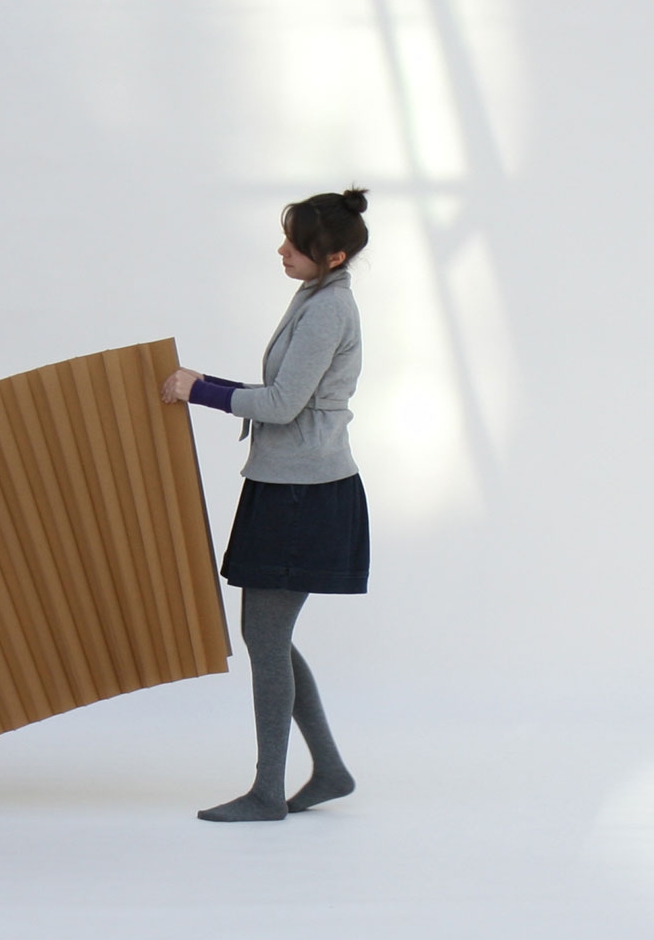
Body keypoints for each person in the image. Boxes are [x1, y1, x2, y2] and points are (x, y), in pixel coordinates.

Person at [161, 188, 371, 822]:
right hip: (287, 484)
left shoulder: (329, 310)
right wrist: (208, 385)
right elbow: (285, 393)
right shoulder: (314, 296)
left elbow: (281, 406)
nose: (282, 250)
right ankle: (328, 770)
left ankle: (268, 793)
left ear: (332, 255)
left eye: (296, 243)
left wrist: (202, 393)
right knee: (268, 636)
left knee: (266, 635)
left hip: (304, 494)